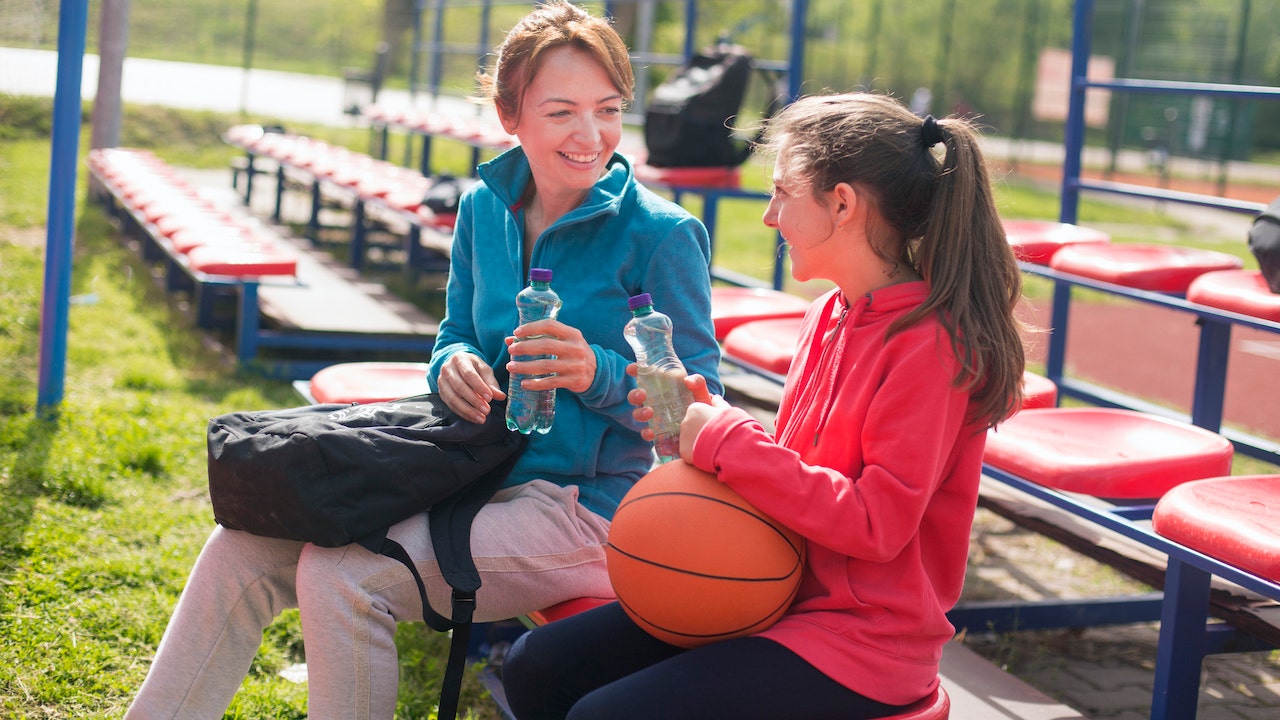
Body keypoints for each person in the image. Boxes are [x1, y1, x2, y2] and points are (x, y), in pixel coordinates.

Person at [124, 2, 721, 718]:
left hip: (583, 510)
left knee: (344, 578)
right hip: (467, 466)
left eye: (608, 109)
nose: (590, 135)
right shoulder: (483, 209)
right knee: (239, 549)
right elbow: (455, 333)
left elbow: (697, 408)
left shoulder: (662, 235)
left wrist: (596, 371)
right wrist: (454, 366)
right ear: (511, 116)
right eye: (561, 111)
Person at [501, 92, 1027, 720]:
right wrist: (696, 423)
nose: (769, 216)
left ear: (842, 204)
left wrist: (726, 441)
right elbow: (800, 470)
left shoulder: (932, 346)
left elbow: (875, 524)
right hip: (771, 598)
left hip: (862, 646)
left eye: (782, 193)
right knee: (535, 665)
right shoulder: (826, 314)